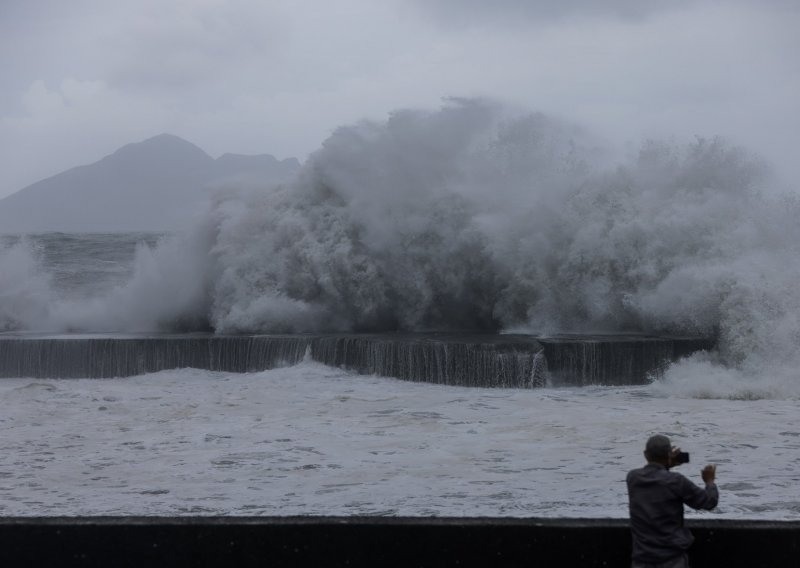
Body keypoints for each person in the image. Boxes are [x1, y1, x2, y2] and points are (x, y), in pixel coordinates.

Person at [626, 434, 718, 568]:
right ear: (669, 454)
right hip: (671, 558)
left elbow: (654, 477)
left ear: (645, 454)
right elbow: (709, 502)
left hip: (642, 558)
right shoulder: (676, 481)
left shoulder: (633, 478)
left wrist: (667, 465)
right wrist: (709, 481)